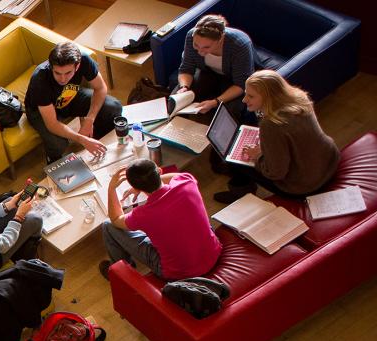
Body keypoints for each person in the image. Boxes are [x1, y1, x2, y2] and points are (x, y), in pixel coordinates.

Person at [212, 70, 340, 203]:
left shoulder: (271, 125)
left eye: (251, 96)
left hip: (306, 185)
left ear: (269, 97)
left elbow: (275, 173)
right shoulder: (299, 98)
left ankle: (239, 195)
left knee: (236, 158)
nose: (244, 100)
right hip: (329, 162)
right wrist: (267, 147)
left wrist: (258, 156)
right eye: (246, 94)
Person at [99, 159, 220, 281]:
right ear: (160, 171)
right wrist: (148, 181)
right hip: (213, 254)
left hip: (179, 273)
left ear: (134, 187)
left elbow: (115, 219)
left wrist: (111, 188)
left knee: (107, 225)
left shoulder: (143, 214)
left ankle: (120, 275)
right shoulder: (187, 181)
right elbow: (175, 177)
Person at [25, 42, 123, 162]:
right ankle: (52, 159)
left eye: (68, 73)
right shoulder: (40, 79)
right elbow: (52, 124)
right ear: (51, 67)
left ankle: (96, 141)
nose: (62, 79)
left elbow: (101, 88)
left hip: (68, 96)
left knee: (113, 106)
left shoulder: (84, 59)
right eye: (57, 73)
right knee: (58, 144)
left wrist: (89, 120)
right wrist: (81, 139)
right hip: (40, 110)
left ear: (77, 66)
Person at [173, 14, 256, 117]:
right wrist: (184, 87)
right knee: (176, 100)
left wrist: (215, 102)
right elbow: (186, 68)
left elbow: (241, 84)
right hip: (207, 72)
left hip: (232, 79)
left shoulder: (239, 45)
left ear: (221, 39)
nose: (200, 52)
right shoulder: (191, 36)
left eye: (206, 47)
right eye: (196, 45)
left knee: (229, 111)